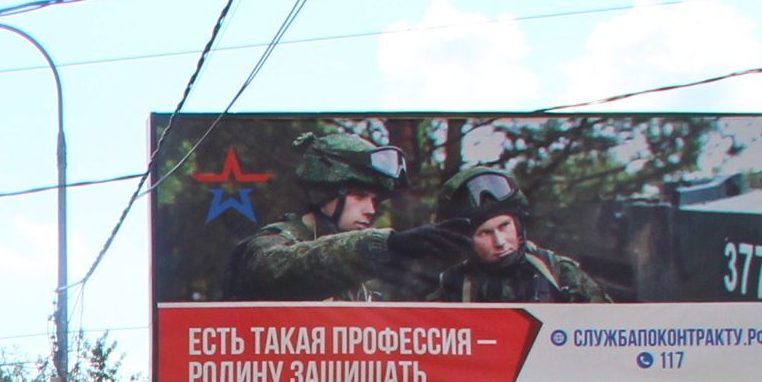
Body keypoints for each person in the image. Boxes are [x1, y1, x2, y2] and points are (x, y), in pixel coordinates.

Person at [222, 125, 467, 301]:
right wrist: (385, 246)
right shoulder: (270, 245)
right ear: (324, 193)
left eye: (375, 200)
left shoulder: (354, 276)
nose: (371, 210)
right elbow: (278, 270)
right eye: (359, 196)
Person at [425, 165, 615, 303]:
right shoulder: (454, 285)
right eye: (485, 233)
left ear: (518, 225)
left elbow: (606, 330)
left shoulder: (558, 272)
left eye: (504, 226)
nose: (500, 242)